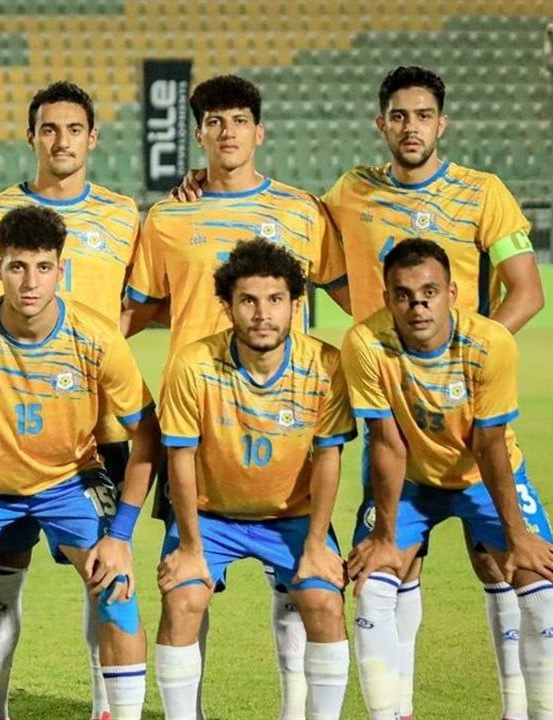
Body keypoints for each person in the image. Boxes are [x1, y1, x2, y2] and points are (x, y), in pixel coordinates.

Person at [322, 66, 546, 720]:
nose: (411, 127)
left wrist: (464, 360)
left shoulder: (483, 192)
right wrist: (378, 336)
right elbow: (306, 240)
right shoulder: (350, 191)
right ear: (381, 124)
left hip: (468, 408)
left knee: (496, 561)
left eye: (423, 115)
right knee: (396, 562)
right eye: (399, 116)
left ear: (441, 123)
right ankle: (400, 710)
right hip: (393, 406)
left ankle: (515, 709)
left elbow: (527, 290)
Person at [124, 74, 348, 720]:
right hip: (200, 423)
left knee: (301, 589)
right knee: (188, 586)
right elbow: (137, 310)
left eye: (239, 120)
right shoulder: (168, 217)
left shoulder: (303, 211)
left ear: (260, 131)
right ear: (198, 134)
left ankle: (296, 709)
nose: (228, 132)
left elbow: (352, 298)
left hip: (286, 421)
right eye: (215, 121)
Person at [0, 205, 158, 720]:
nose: (30, 282)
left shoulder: (95, 337)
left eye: (43, 267)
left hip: (69, 482)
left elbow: (148, 437)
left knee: (117, 586)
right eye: (17, 267)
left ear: (61, 270)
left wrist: (120, 536)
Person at [0, 80, 141, 720]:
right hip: (2, 425)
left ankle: (105, 708)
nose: (61, 141)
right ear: (31, 137)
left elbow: (140, 303)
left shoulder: (124, 215)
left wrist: (98, 352)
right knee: (3, 568)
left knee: (104, 566)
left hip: (98, 431)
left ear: (93, 138)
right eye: (49, 129)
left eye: (74, 129)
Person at [344, 238, 553, 720]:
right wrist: (384, 537)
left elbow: (490, 444)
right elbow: (386, 442)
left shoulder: (491, 343)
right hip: (411, 481)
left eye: (429, 293)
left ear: (452, 293)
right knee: (373, 587)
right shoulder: (364, 343)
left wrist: (517, 536)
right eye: (403, 295)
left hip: (481, 475)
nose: (417, 306)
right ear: (387, 298)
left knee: (541, 588)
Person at [155, 239, 354, 720]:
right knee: (183, 601)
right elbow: (180, 459)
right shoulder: (193, 365)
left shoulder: (325, 365)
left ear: (296, 305)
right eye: (248, 300)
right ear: (227, 307)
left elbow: (328, 458)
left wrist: (315, 544)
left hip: (292, 517)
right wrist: (190, 547)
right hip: (209, 516)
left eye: (275, 300)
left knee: (324, 602)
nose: (262, 314)